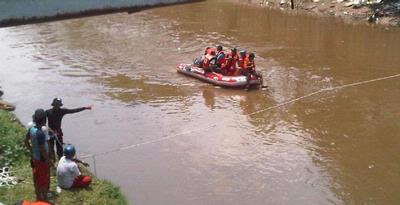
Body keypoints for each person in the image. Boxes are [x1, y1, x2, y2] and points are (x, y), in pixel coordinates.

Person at [24, 109, 51, 202]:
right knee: (43, 180)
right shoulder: (40, 133)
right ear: (44, 120)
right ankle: (44, 200)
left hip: (35, 158)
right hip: (42, 160)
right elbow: (42, 148)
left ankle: (38, 196)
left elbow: (26, 141)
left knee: (36, 177)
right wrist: (48, 159)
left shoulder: (31, 129)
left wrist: (31, 150)